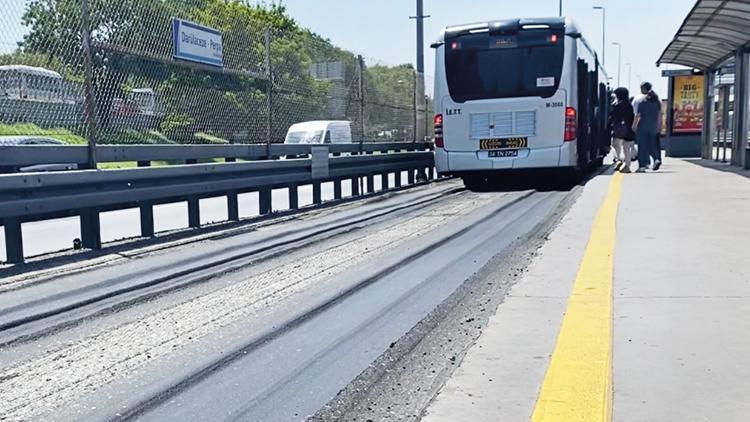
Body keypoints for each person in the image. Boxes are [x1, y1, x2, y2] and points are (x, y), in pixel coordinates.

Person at [632, 82, 662, 172]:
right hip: (653, 126)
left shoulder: (642, 102)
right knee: (652, 145)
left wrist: (634, 126)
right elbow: (660, 115)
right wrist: (659, 126)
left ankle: (642, 166)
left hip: (643, 127)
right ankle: (656, 159)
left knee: (642, 147)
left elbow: (638, 115)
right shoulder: (657, 102)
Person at [610, 87, 636, 173]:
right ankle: (627, 166)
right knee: (626, 148)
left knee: (616, 146)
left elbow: (613, 117)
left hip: (619, 130)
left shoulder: (618, 106)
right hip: (629, 130)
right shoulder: (630, 106)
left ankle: (619, 161)